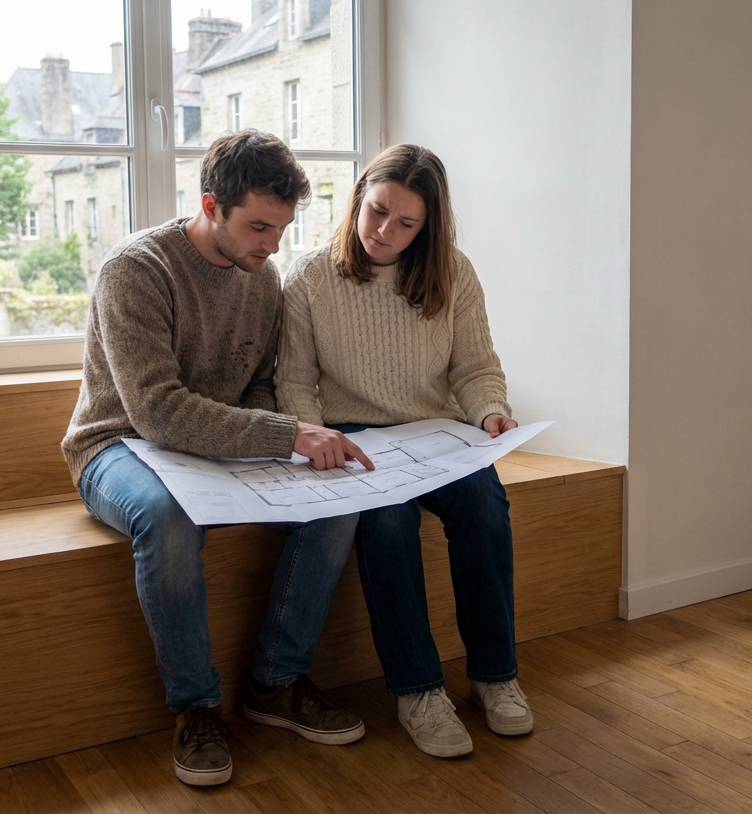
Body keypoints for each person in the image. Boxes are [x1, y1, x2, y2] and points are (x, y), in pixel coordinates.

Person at [62, 129, 374, 787]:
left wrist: (277, 437)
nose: (273, 245)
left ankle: (276, 681)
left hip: (215, 451)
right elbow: (158, 412)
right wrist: (288, 436)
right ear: (210, 206)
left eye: (282, 228)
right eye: (259, 226)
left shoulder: (263, 278)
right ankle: (197, 709)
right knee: (167, 518)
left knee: (338, 499)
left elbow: (259, 385)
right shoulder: (136, 270)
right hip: (118, 446)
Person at [275, 143, 531, 758]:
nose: (384, 231)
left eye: (406, 222)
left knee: (485, 510)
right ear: (358, 198)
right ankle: (418, 691)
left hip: (437, 433)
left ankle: (495, 674)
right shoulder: (310, 277)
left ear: (428, 228)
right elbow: (294, 382)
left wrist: (490, 412)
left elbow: (476, 368)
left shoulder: (454, 273)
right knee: (387, 526)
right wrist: (315, 440)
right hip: (354, 437)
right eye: (377, 211)